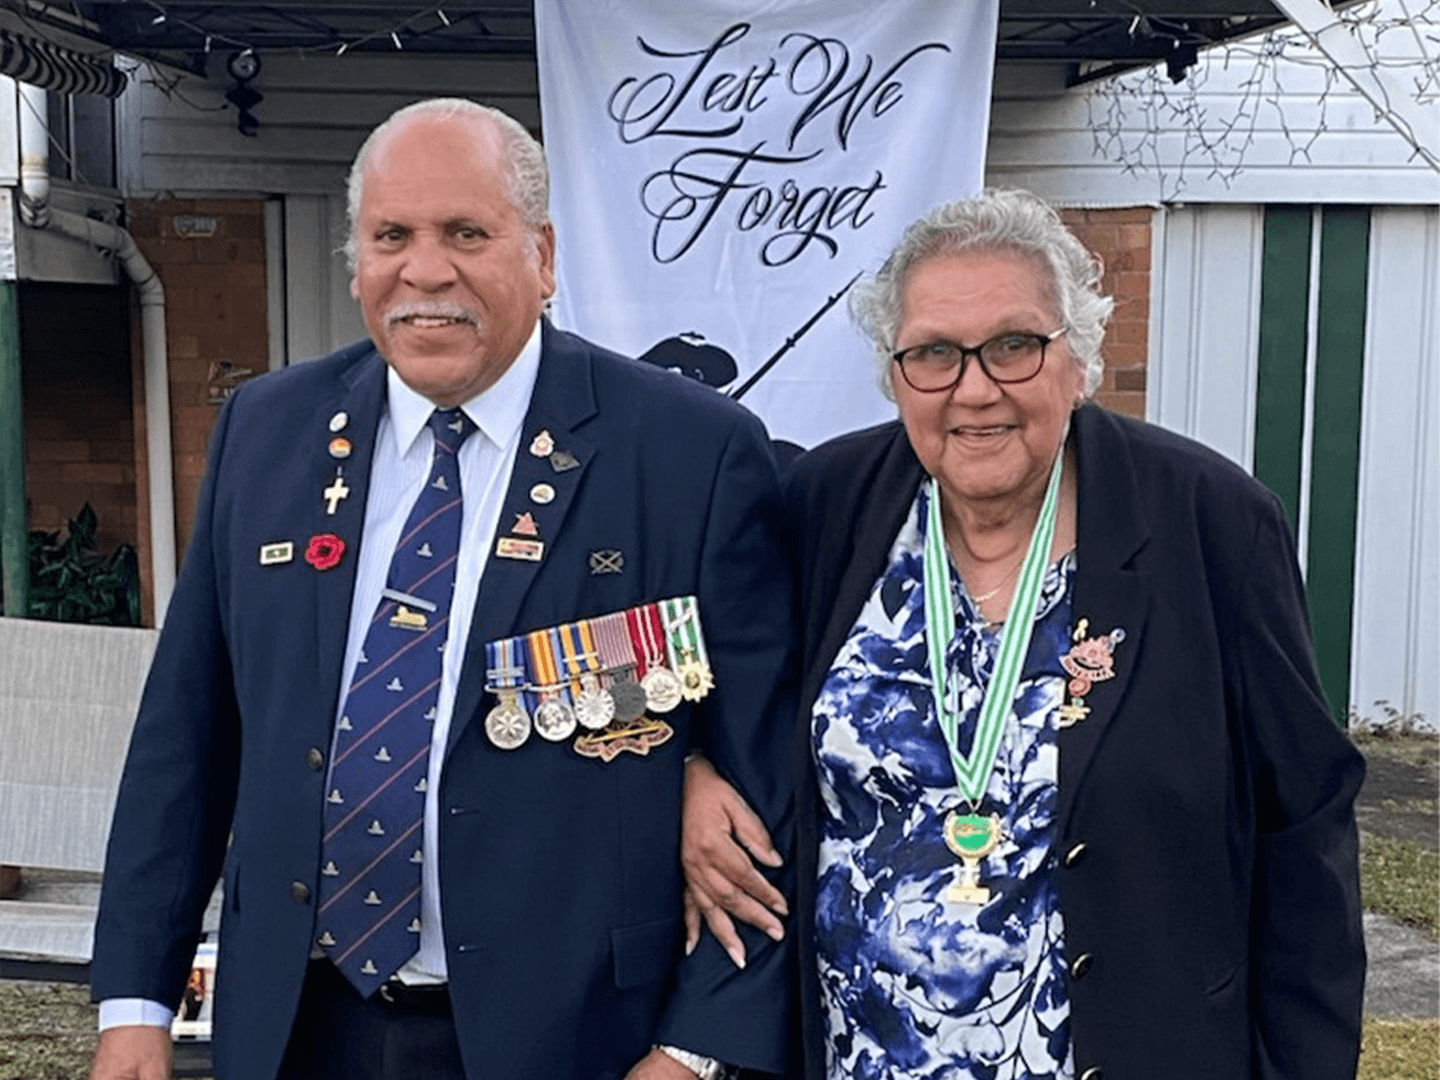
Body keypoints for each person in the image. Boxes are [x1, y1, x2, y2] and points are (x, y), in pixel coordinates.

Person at [88, 98, 794, 1080]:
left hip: (576, 1040)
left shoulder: (689, 453)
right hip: (296, 1027)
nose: (425, 271)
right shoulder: (267, 432)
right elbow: (187, 738)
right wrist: (134, 1004)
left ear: (543, 256)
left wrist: (696, 1049)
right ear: (356, 263)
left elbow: (769, 778)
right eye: (392, 236)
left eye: (466, 232)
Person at [680, 189, 1366, 1080]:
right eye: (934, 353)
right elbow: (723, 677)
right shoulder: (826, 507)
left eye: (1013, 345)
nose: (975, 389)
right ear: (896, 374)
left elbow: (1305, 827)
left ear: (1077, 358)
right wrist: (692, 766)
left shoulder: (1211, 524)